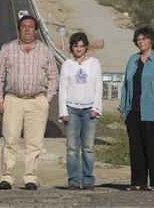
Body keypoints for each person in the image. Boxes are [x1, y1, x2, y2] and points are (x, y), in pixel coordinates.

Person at [0, 15, 58, 190]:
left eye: (30, 26)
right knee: (10, 140)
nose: (27, 29)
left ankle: (30, 178)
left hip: (37, 101)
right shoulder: (7, 49)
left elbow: (53, 76)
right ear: (19, 29)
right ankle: (6, 177)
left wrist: (47, 99)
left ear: (36, 30)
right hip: (13, 100)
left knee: (34, 143)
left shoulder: (45, 50)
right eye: (24, 26)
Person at [118, 26, 154, 192]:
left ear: (151, 40)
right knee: (136, 149)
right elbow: (126, 85)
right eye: (138, 39)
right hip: (133, 111)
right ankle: (138, 182)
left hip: (153, 112)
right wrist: (122, 108)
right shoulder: (132, 60)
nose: (141, 42)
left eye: (144, 39)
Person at [58, 32, 102, 190]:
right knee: (72, 148)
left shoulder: (94, 63)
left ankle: (88, 179)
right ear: (71, 47)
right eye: (76, 45)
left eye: (82, 45)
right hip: (71, 109)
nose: (78, 48)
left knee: (88, 148)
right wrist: (63, 110)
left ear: (86, 47)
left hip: (89, 109)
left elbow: (98, 86)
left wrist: (96, 107)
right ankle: (74, 181)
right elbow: (62, 88)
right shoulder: (67, 64)